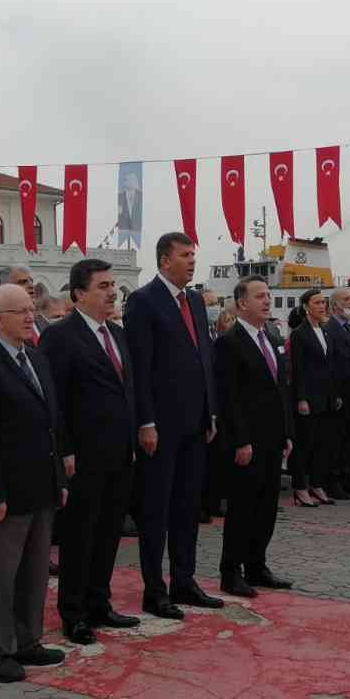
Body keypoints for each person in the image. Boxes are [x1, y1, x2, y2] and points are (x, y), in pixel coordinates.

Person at [0, 284, 67, 682]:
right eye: (20, 311)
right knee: (1, 577)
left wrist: (58, 477)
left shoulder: (36, 359)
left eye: (31, 309)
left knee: (35, 574)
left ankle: (28, 642)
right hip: (4, 493)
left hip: (40, 487)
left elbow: (50, 426)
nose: (30, 317)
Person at [124, 232, 222, 620]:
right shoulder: (144, 301)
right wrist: (145, 420)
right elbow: (140, 367)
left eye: (193, 254)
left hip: (195, 424)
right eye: (185, 255)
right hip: (160, 426)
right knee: (156, 509)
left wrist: (209, 412)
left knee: (186, 506)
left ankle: (185, 579)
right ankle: (155, 588)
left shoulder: (195, 300)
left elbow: (204, 360)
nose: (192, 261)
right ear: (165, 260)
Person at [42, 260, 140, 644]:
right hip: (82, 455)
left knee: (108, 533)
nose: (112, 292)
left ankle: (100, 603)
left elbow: (126, 391)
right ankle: (74, 612)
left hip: (119, 452)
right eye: (102, 286)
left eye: (113, 285)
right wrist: (63, 449)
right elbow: (55, 401)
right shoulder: (60, 337)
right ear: (78, 294)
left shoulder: (117, 333)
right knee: (80, 536)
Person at [212, 276, 294, 594]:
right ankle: (230, 572)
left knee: (266, 506)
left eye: (268, 295)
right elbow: (229, 397)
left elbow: (281, 389)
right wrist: (241, 440)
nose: (267, 300)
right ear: (242, 303)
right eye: (259, 296)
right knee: (243, 508)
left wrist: (287, 432)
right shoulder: (229, 342)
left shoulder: (271, 335)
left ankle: (257, 565)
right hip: (246, 441)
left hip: (273, 438)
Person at [286, 288, 337, 507]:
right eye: (317, 303)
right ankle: (300, 486)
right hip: (308, 398)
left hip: (326, 397)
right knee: (304, 444)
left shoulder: (325, 331)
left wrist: (334, 394)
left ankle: (317, 484)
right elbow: (298, 369)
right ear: (307, 307)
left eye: (323, 302)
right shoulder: (299, 333)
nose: (322, 306)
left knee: (322, 444)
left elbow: (329, 366)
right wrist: (301, 398)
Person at [323, 287, 350, 498]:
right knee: (336, 438)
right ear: (335, 305)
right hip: (339, 391)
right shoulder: (329, 328)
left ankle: (347, 476)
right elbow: (331, 364)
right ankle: (333, 480)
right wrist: (334, 393)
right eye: (346, 299)